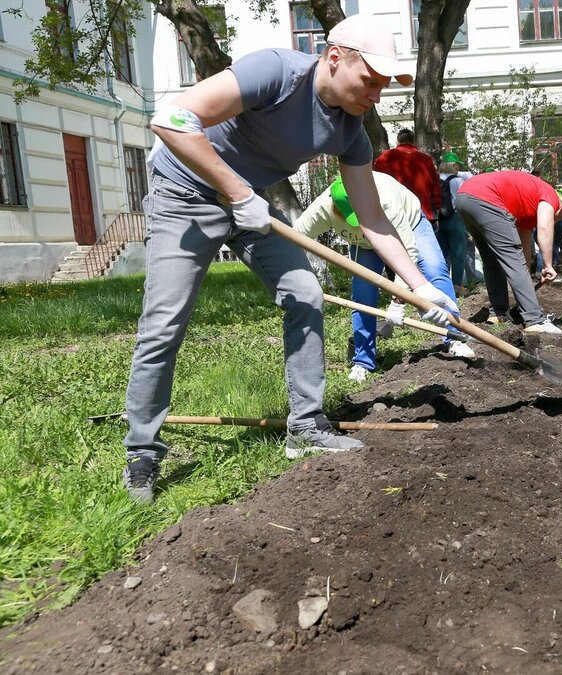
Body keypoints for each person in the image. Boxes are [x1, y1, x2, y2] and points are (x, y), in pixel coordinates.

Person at [123, 14, 457, 504]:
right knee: (165, 320)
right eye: (370, 80)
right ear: (335, 57)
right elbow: (171, 120)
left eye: (384, 86)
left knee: (305, 295)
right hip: (185, 195)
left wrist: (418, 283)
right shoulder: (276, 72)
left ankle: (306, 425)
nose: (376, 95)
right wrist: (236, 191)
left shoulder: (351, 133)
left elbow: (374, 220)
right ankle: (142, 452)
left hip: (251, 204)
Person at [295, 171, 476, 382]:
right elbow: (294, 237)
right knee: (363, 294)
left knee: (435, 270)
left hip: (410, 225)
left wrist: (398, 300)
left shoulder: (387, 201)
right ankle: (363, 361)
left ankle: (454, 337)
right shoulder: (323, 210)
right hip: (364, 245)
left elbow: (407, 252)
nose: (359, 222)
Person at [455, 170, 562, 333]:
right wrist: (548, 265)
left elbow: (524, 247)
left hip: (464, 196)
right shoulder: (550, 195)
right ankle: (534, 319)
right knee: (509, 259)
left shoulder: (529, 206)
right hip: (487, 198)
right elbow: (545, 228)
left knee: (491, 261)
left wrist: (525, 278)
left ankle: (499, 312)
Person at [373, 128, 440, 225]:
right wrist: (436, 209)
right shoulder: (426, 160)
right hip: (423, 213)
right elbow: (436, 187)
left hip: (393, 213)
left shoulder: (384, 158)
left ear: (398, 141)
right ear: (413, 141)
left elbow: (374, 183)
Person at [435, 152, 473, 290]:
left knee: (441, 253)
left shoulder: (435, 179)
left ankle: (440, 285)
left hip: (439, 219)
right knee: (458, 253)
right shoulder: (457, 181)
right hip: (456, 219)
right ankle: (457, 285)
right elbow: (463, 201)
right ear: (454, 165)